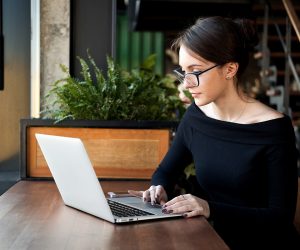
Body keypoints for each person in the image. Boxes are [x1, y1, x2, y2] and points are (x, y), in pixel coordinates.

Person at [129, 16, 300, 249]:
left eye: (195, 71)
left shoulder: (274, 129)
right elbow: (166, 171)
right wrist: (158, 188)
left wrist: (209, 208)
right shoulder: (196, 116)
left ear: (230, 69)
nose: (186, 84)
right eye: (183, 71)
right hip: (209, 239)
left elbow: (279, 218)